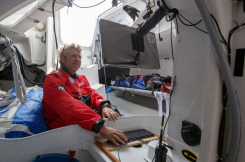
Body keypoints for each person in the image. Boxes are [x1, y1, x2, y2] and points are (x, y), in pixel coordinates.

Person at [42, 43, 127, 146]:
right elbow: (69, 107)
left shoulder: (81, 79)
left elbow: (92, 95)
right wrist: (100, 127)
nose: (78, 59)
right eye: (73, 56)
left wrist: (104, 106)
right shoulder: (53, 79)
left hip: (84, 123)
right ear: (63, 59)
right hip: (65, 131)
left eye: (79, 57)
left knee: (114, 113)